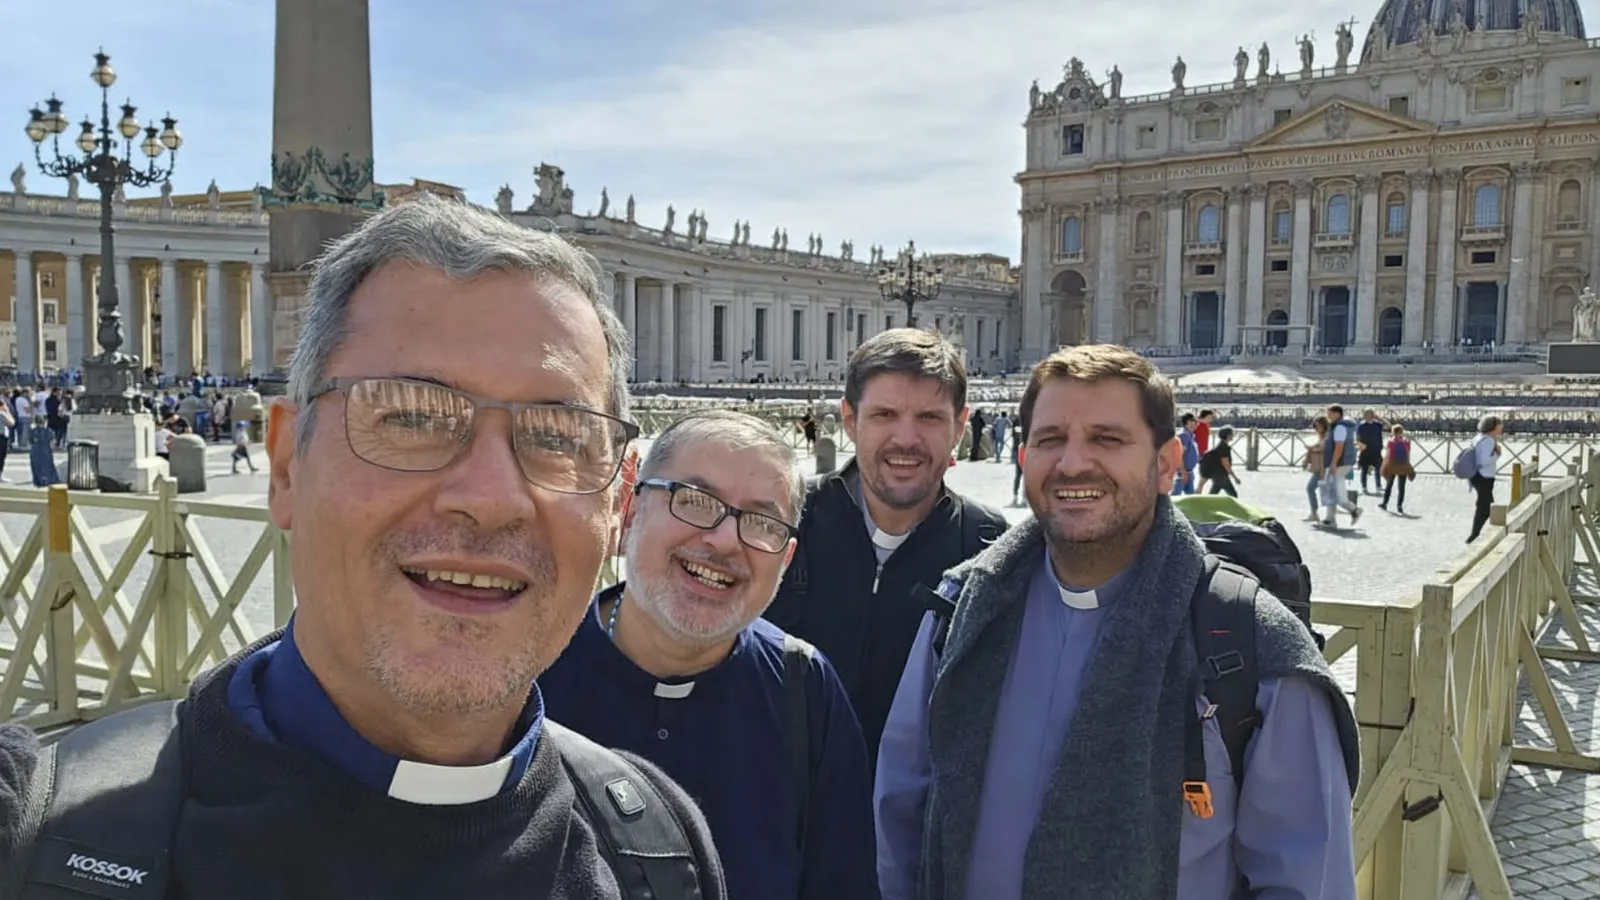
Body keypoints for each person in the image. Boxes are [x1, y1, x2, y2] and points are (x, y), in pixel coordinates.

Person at [0, 194, 728, 899]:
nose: (490, 497)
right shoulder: (29, 837)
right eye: (409, 415)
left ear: (617, 507)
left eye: (559, 437)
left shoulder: (661, 852)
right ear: (286, 468)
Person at [875, 344, 1359, 900]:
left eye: (1106, 439)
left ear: (1167, 464)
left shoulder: (1250, 645)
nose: (1073, 464)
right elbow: (898, 817)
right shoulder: (960, 610)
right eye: (1050, 439)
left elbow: (1306, 883)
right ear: (1024, 457)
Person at [541, 410, 879, 900]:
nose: (724, 540)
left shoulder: (806, 692)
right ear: (630, 510)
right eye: (695, 501)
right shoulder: (532, 664)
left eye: (762, 522)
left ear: (784, 560)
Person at [765, 328, 1009, 769]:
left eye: (929, 417)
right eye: (885, 415)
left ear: (959, 426)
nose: (906, 439)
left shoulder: (991, 550)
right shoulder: (777, 521)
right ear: (850, 420)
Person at [1319, 404, 1363, 528]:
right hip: (1342, 462)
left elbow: (1339, 447)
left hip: (1339, 463)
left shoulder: (1339, 428)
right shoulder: (1341, 426)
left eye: (1330, 414)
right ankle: (1330, 518)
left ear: (1337, 414)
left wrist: (1333, 463)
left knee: (1336, 493)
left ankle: (1353, 510)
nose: (1328, 416)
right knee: (1331, 490)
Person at [1466, 414, 1504, 543]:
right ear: (1493, 428)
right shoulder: (1489, 440)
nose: (1501, 430)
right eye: (1499, 427)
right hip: (1484, 476)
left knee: (1484, 504)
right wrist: (1497, 454)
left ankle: (1477, 534)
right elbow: (1484, 461)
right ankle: (1475, 535)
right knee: (1485, 507)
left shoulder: (1478, 438)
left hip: (1475, 475)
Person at [1196, 425, 1239, 497]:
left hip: (1214, 473)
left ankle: (1198, 501)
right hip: (1220, 475)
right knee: (1233, 495)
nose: (1233, 435)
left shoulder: (1220, 445)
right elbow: (1226, 464)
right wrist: (1235, 477)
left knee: (1212, 494)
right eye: (1232, 434)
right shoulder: (1224, 447)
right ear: (1227, 436)